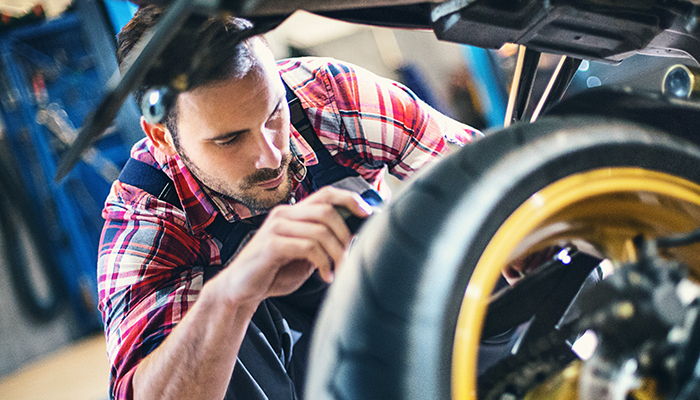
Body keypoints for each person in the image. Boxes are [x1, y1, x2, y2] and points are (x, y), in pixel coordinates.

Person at [98, 5, 480, 400]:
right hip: (283, 375)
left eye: (274, 113)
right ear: (161, 137)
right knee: (203, 324)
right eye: (229, 140)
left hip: (382, 316)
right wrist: (234, 294)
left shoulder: (332, 97)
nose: (271, 155)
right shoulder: (146, 216)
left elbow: (480, 172)